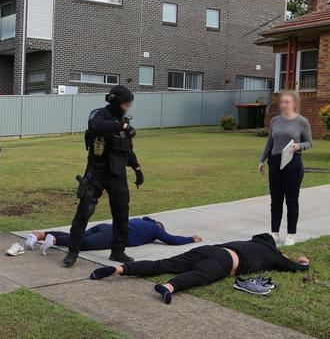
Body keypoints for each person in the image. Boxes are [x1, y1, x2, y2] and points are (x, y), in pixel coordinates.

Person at [90, 233, 310, 304]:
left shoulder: (248, 243)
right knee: (200, 276)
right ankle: (168, 287)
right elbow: (297, 268)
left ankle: (118, 269)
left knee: (163, 264)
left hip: (209, 250)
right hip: (225, 261)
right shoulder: (272, 254)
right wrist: (302, 260)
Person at [64, 86, 144, 267]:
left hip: (117, 174)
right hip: (96, 172)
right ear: (116, 102)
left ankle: (118, 251)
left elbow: (128, 149)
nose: (127, 107)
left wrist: (137, 168)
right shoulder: (98, 114)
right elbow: (95, 126)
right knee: (85, 211)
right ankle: (72, 252)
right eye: (125, 104)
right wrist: (119, 125)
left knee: (121, 213)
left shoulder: (123, 121)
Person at [259, 90, 312, 246]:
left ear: (294, 103)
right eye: (282, 102)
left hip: (293, 163)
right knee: (275, 200)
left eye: (287, 102)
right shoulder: (275, 121)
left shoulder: (302, 122)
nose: (283, 104)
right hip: (275, 162)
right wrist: (262, 160)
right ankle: (274, 233)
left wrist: (298, 146)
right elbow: (270, 142)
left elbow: (309, 143)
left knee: (291, 200)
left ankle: (291, 234)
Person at [26, 216, 202, 254]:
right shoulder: (155, 230)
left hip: (104, 227)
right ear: (159, 228)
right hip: (111, 236)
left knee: (80, 234)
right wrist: (191, 239)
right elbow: (172, 240)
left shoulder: (140, 220)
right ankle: (55, 239)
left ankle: (40, 234)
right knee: (84, 244)